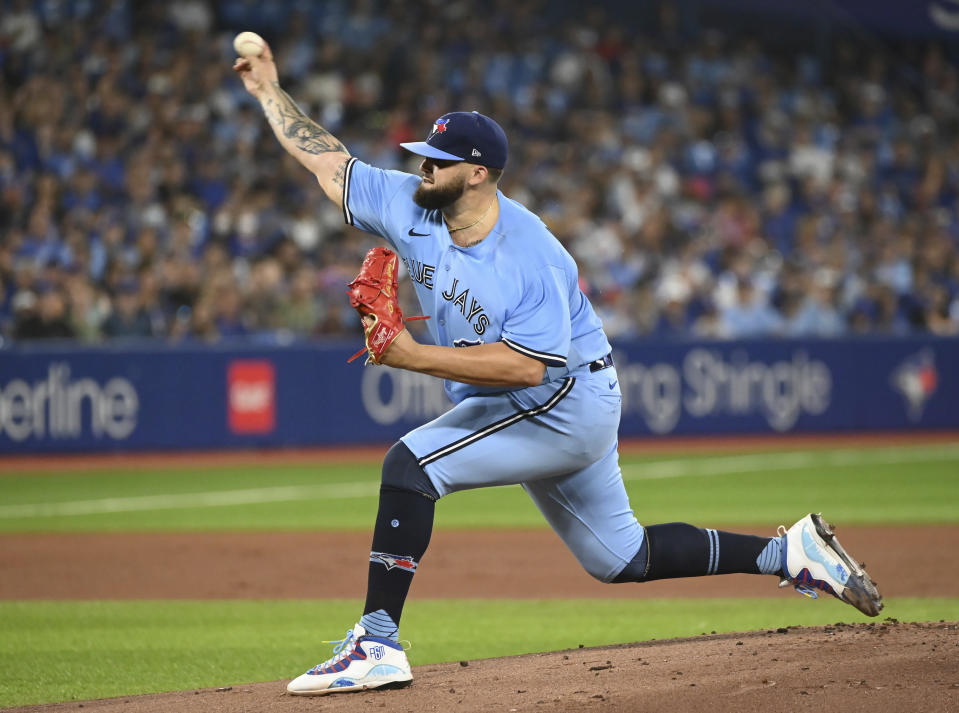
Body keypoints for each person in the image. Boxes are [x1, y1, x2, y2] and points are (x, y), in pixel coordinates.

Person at [233, 42, 883, 697]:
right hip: (555, 398)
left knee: (411, 465)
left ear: (478, 173)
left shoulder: (531, 253)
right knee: (619, 556)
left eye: (436, 162)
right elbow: (328, 160)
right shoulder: (413, 204)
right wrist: (268, 90)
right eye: (423, 158)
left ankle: (376, 642)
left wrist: (410, 356)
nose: (421, 168)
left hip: (562, 397)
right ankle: (789, 553)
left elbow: (522, 370)